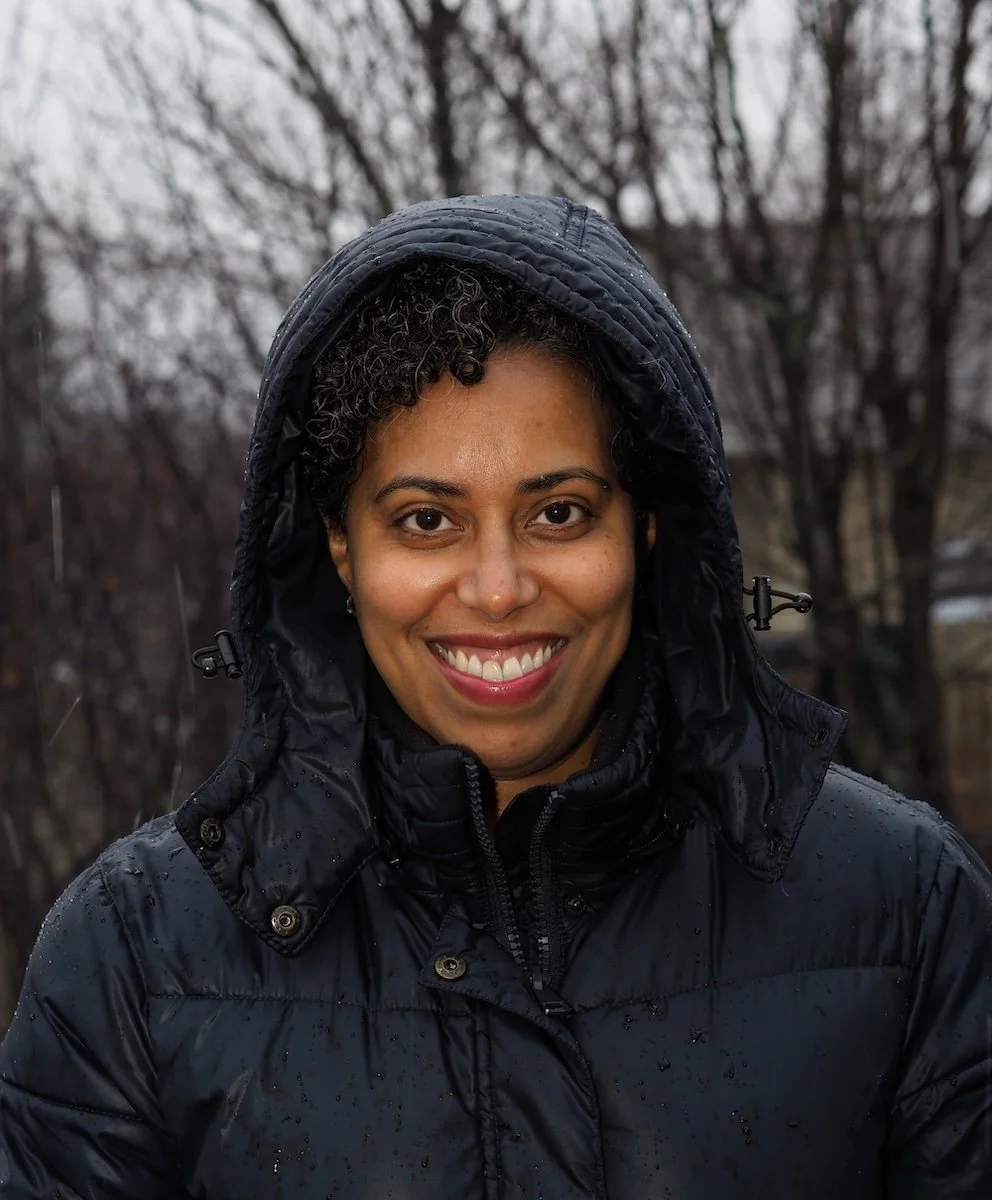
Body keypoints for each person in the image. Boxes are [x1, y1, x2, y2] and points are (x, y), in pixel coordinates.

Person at [1, 194, 990, 1199]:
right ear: (340, 548)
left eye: (559, 512)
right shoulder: (136, 956)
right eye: (425, 520)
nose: (499, 589)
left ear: (645, 531)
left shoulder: (901, 909)